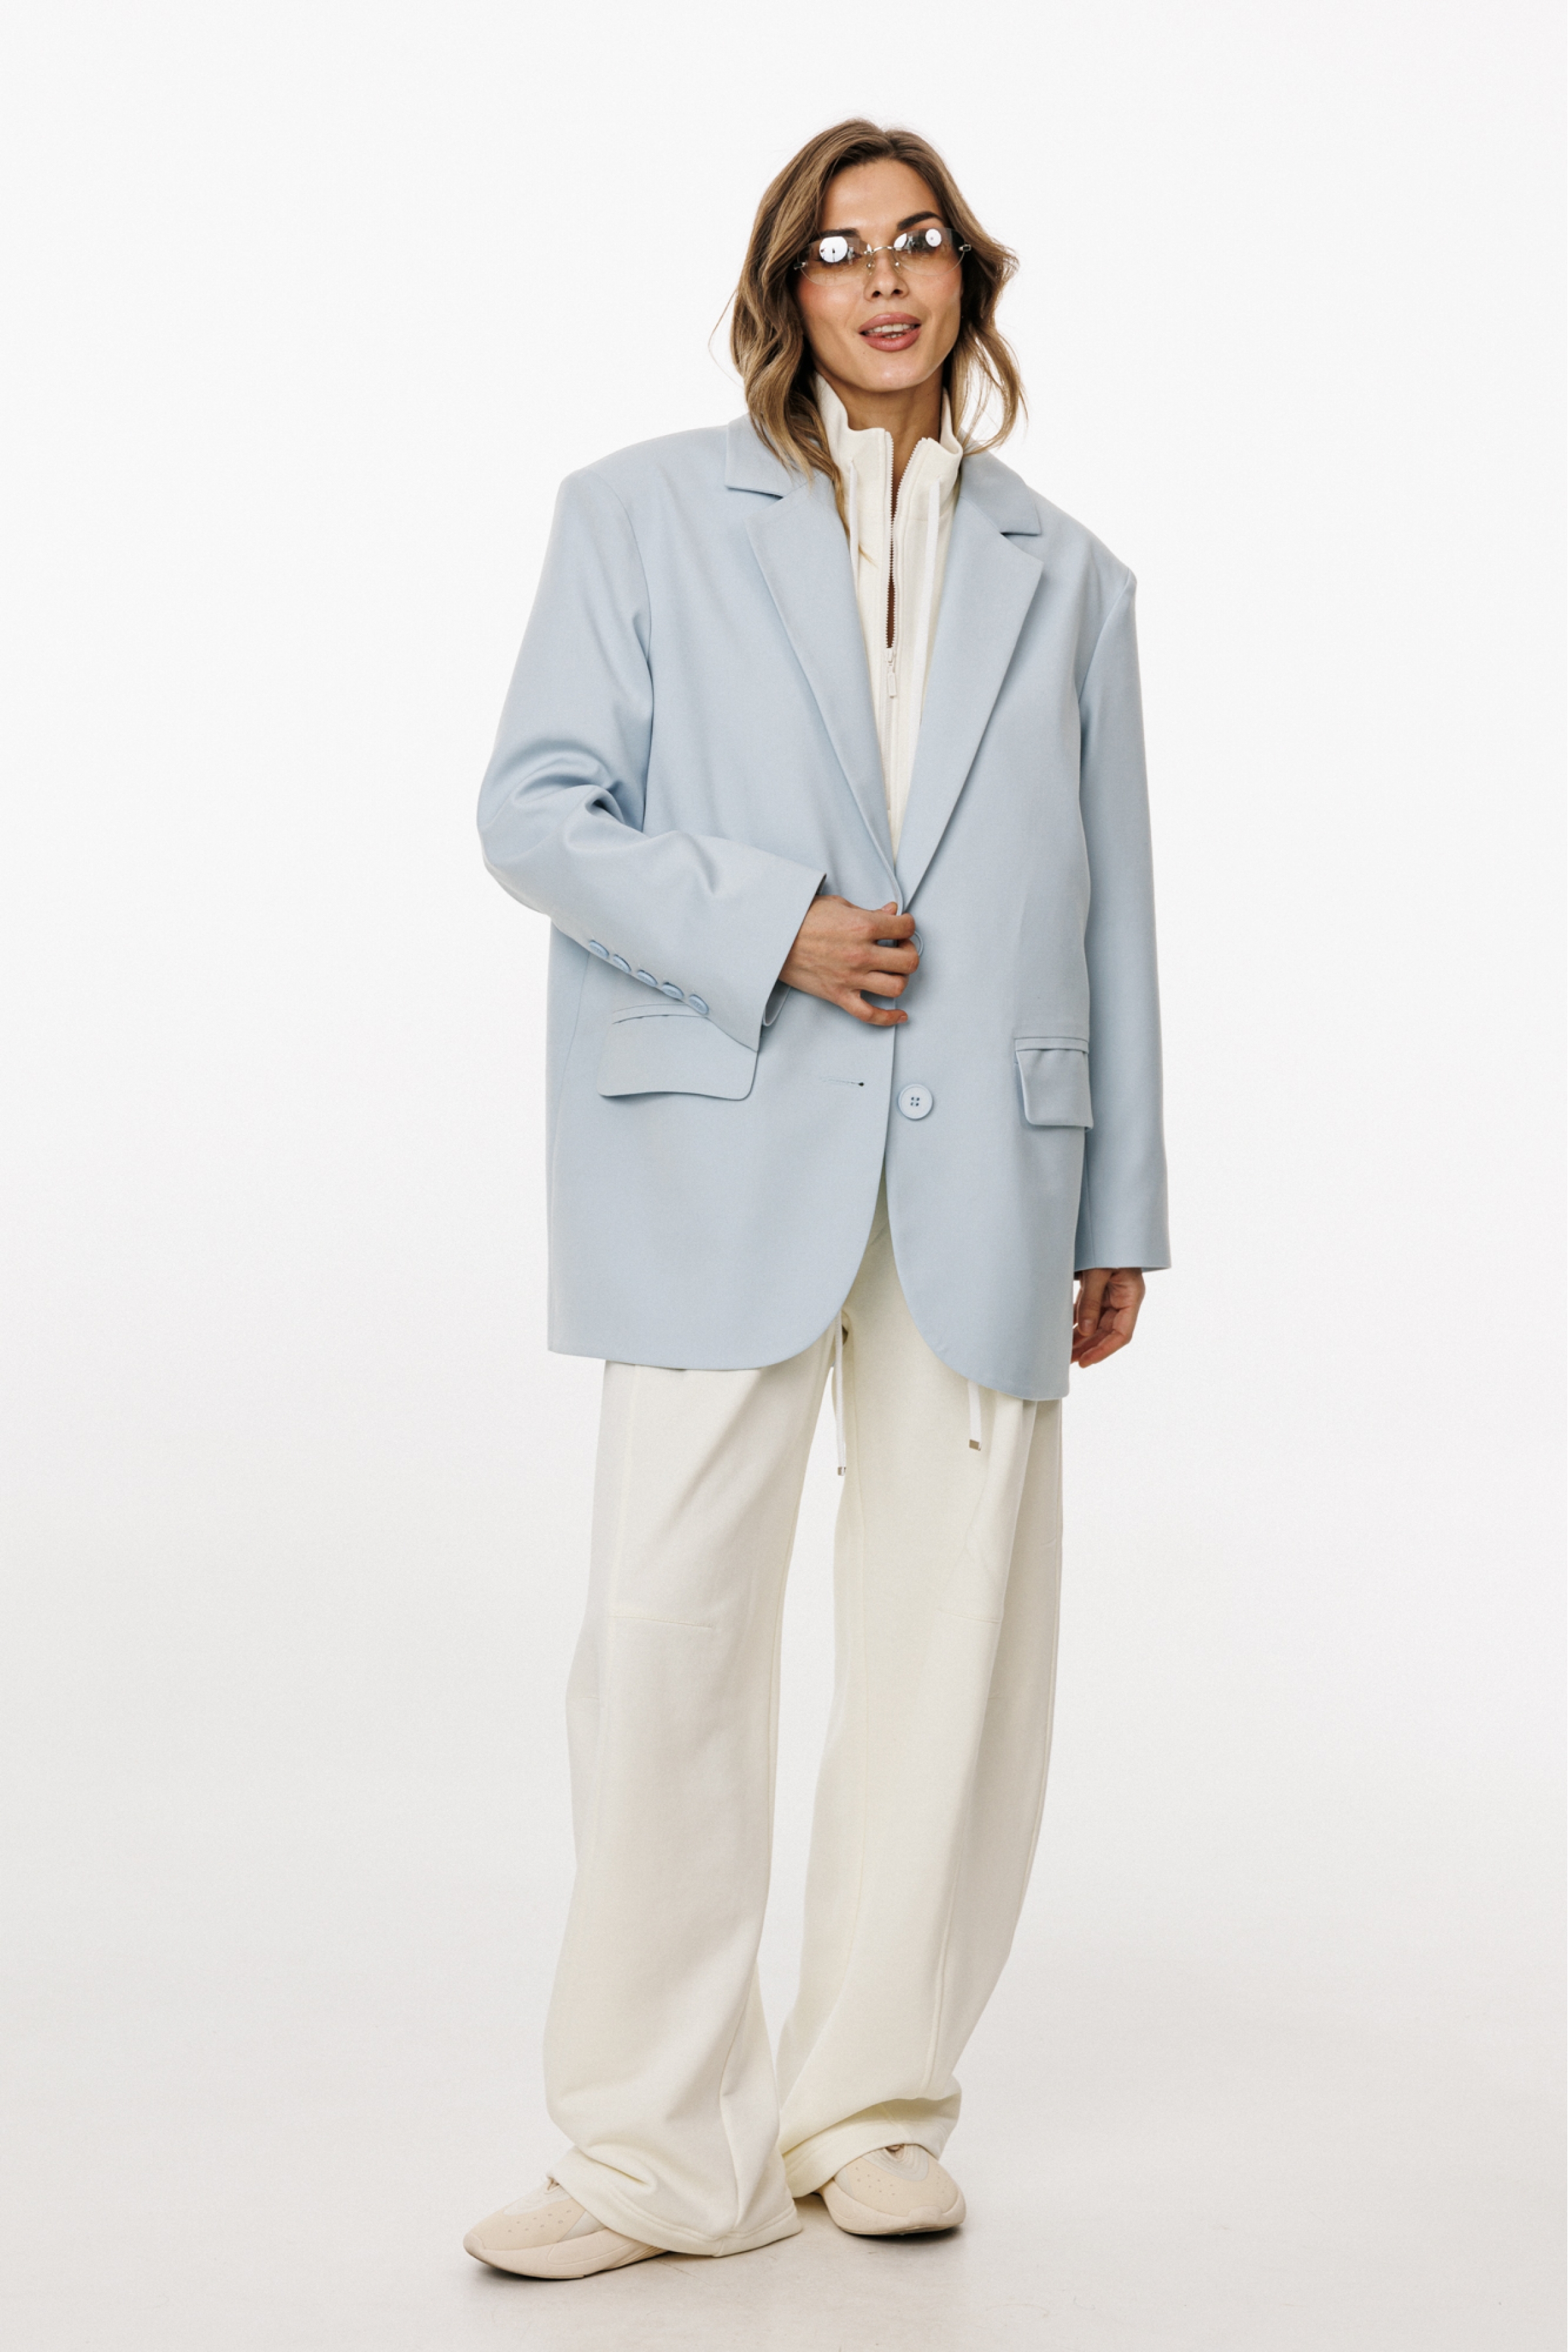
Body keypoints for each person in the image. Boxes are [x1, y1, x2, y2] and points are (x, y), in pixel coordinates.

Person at [463, 117, 1168, 2281]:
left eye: (920, 242)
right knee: (667, 1640)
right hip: (715, 1140)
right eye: (840, 249)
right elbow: (536, 811)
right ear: (786, 289)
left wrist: (1119, 1199)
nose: (884, 278)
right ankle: (653, 2152)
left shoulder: (1072, 575)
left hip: (998, 1168)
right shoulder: (638, 515)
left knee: (952, 1657)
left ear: (969, 282)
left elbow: (1115, 908)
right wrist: (771, 924)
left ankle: (871, 2107)